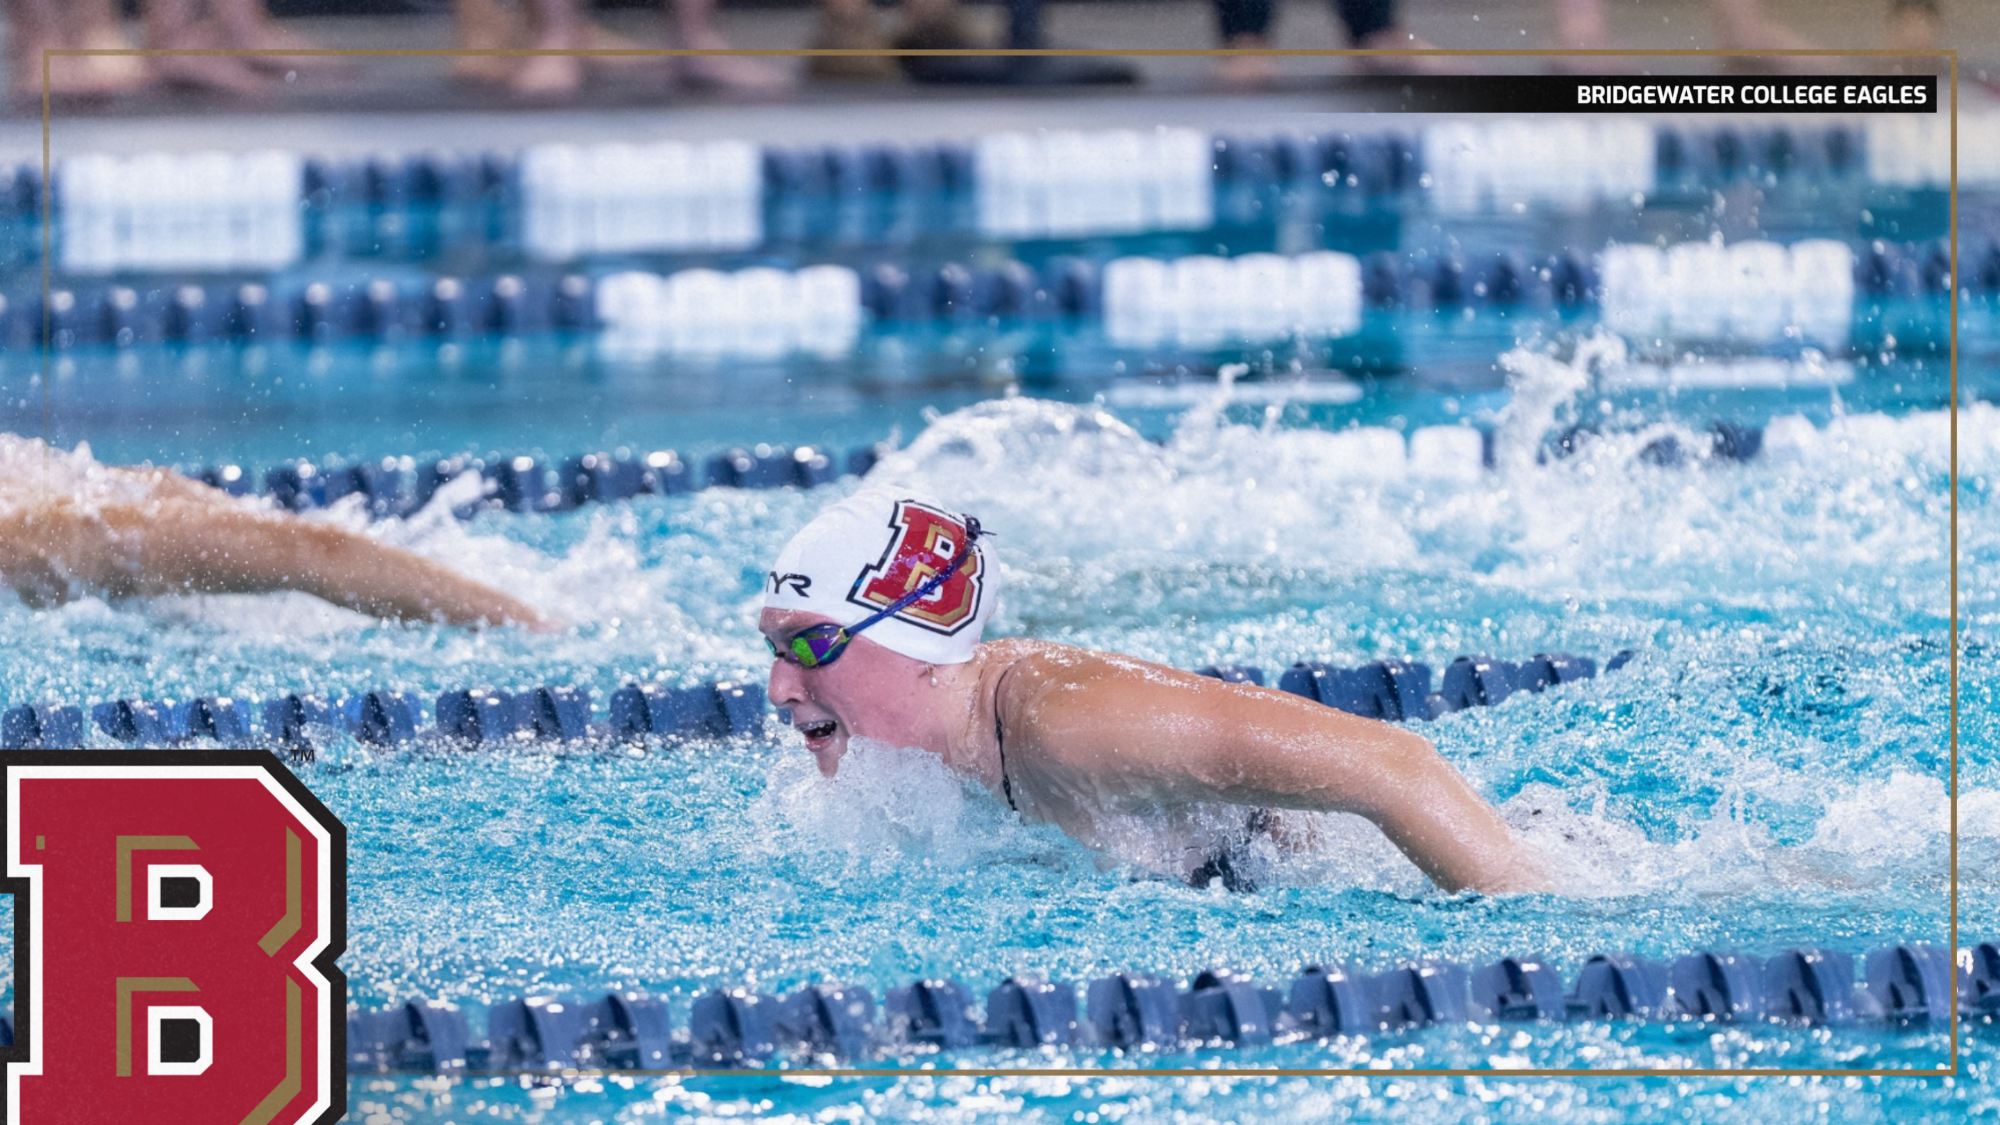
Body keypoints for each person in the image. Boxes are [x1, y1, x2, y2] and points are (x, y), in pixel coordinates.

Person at [759, 489, 1551, 894]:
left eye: (811, 645)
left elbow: (1396, 766)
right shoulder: (932, 754)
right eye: (773, 648)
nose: (778, 686)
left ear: (922, 644)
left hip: (1451, 861)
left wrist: (1539, 927)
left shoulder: (1066, 724)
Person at [0, 435, 553, 631]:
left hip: (76, 526)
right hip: (60, 531)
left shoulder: (74, 521)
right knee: (302, 548)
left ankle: (533, 625)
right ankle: (532, 621)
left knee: (301, 549)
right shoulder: (52, 523)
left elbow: (310, 553)